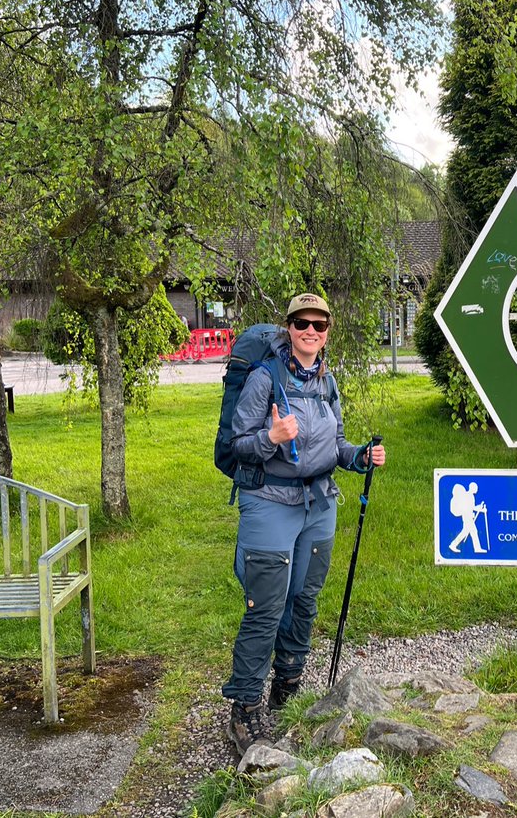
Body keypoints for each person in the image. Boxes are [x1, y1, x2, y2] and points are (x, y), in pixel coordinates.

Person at [221, 293, 387, 754]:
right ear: (289, 327)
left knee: (305, 599)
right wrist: (271, 437)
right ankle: (245, 709)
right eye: (301, 323)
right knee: (266, 606)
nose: (310, 331)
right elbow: (238, 444)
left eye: (319, 324)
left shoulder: (326, 381)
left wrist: (359, 457)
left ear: (328, 330)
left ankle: (288, 687)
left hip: (319, 503)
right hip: (269, 501)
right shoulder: (265, 378)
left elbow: (335, 443)